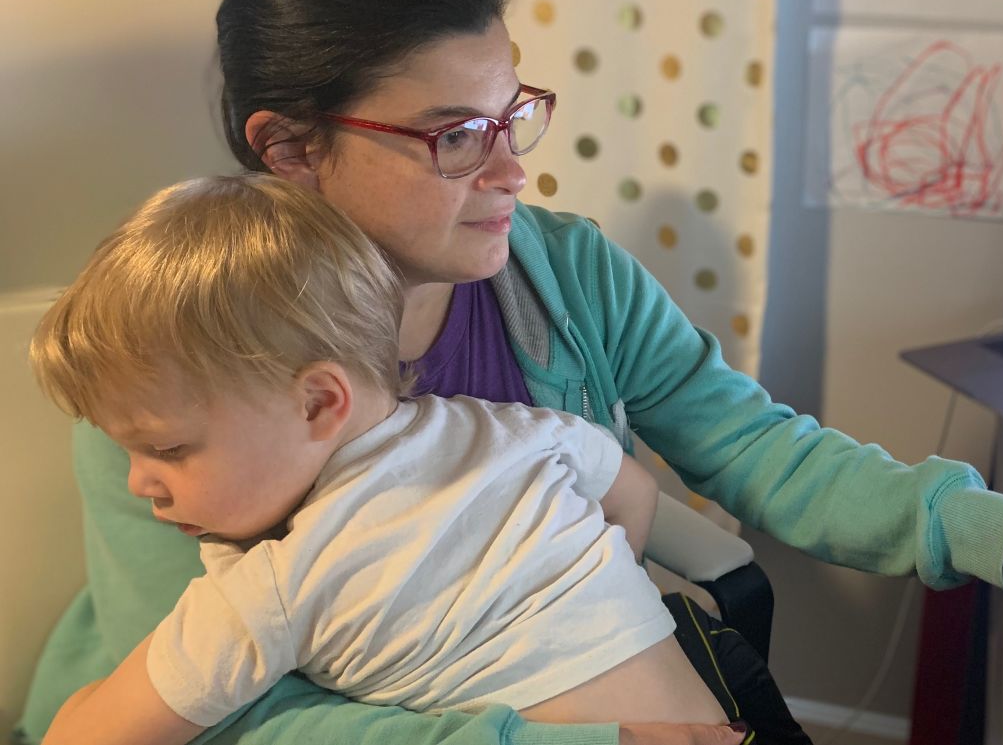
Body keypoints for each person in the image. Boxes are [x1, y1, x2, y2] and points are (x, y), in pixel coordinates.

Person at [18, 0, 1003, 745]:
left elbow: (761, 452)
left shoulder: (561, 275)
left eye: (512, 112)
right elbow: (211, 718)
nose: (511, 167)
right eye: (456, 135)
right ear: (289, 149)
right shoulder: (165, 374)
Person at [32, 174, 799, 745]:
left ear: (317, 404)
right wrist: (594, 589)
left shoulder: (268, 591)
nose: (139, 482)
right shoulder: (510, 430)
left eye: (167, 450)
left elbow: (86, 738)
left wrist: (70, 710)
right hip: (719, 706)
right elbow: (632, 491)